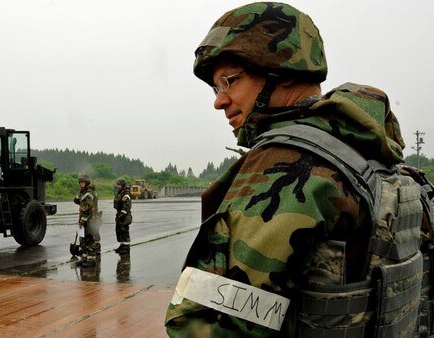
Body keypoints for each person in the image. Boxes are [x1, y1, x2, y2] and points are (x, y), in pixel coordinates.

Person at [165, 2, 415, 336]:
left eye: (229, 81)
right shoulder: (375, 156)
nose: (218, 100)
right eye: (216, 87)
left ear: (281, 74)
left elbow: (214, 326)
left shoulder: (284, 163)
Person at [73, 173, 99, 267]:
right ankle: (84, 258)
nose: (81, 184)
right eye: (80, 182)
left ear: (87, 182)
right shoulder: (83, 191)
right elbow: (76, 200)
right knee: (82, 239)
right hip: (83, 218)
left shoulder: (89, 193)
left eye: (83, 182)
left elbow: (87, 208)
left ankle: (91, 260)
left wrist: (83, 221)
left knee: (89, 239)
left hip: (89, 219)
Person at [113, 178, 132, 254]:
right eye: (117, 184)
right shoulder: (120, 192)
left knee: (124, 231)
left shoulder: (126, 193)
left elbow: (126, 205)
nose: (117, 186)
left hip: (124, 215)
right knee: (119, 230)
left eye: (119, 185)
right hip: (119, 213)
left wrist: (122, 214)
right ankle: (122, 245)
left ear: (123, 185)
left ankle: (126, 247)